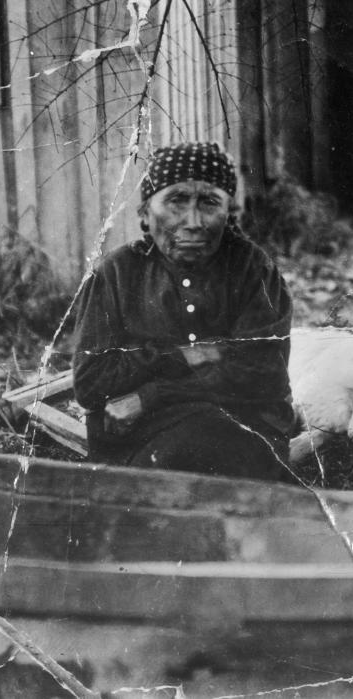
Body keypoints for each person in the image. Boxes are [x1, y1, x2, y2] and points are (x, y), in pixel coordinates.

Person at [71, 142, 296, 481]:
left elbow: (263, 375)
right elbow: (91, 383)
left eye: (209, 202)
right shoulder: (116, 274)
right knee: (185, 453)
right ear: (146, 214)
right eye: (176, 200)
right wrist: (186, 355)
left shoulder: (254, 270)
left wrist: (151, 394)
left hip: (244, 427)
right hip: (140, 434)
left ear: (229, 213)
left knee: (212, 443)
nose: (193, 222)